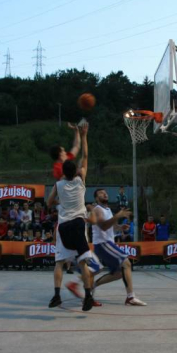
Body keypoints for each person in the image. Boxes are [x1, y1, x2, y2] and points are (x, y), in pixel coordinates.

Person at [46, 123, 94, 312]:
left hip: (64, 225)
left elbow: (49, 204)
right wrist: (84, 135)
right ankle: (88, 296)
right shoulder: (81, 177)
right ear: (76, 170)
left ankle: (57, 295)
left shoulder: (58, 185)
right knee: (82, 263)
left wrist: (59, 204)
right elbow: (86, 156)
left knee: (59, 262)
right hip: (79, 224)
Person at [90, 188, 147, 306]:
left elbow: (112, 226)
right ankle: (130, 297)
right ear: (96, 198)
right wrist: (117, 216)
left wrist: (120, 227)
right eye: (101, 193)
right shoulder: (97, 210)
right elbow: (104, 226)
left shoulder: (107, 209)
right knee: (126, 263)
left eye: (105, 192)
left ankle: (92, 285)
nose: (105, 194)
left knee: (118, 273)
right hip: (103, 244)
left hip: (107, 244)